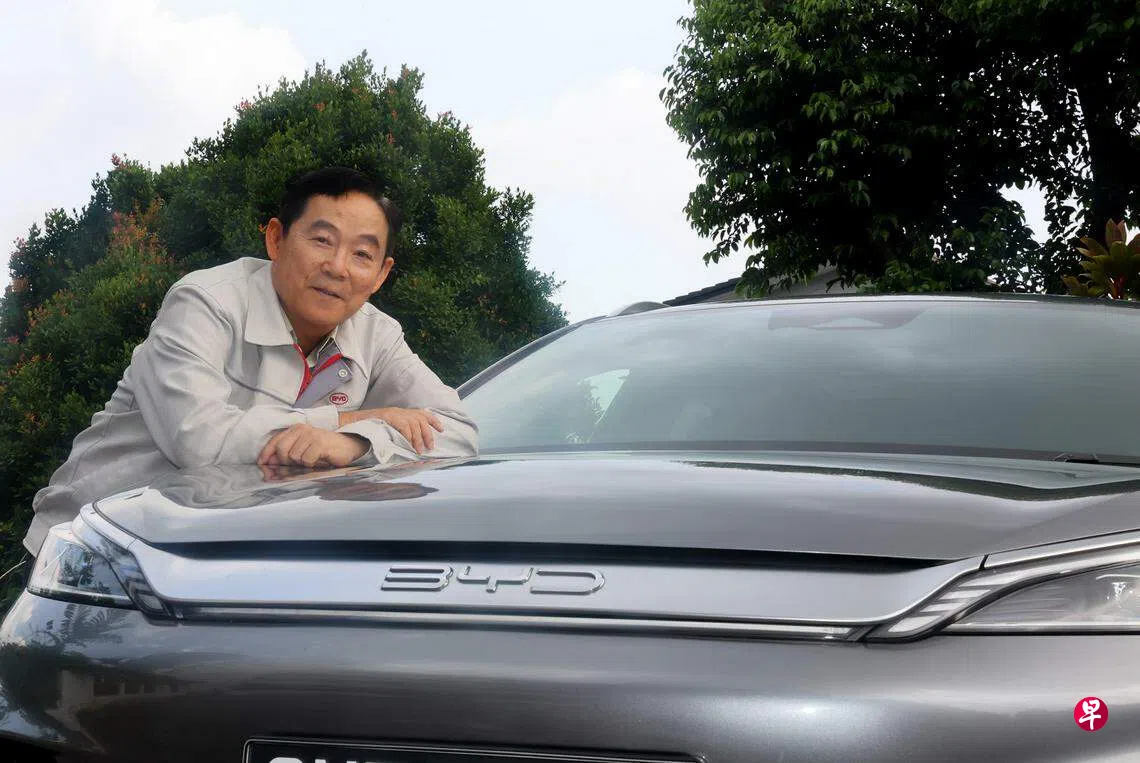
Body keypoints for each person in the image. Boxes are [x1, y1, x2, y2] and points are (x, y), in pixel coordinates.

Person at [21, 166, 478, 557]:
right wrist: (349, 420)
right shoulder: (204, 302)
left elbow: (458, 432)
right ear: (276, 239)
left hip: (227, 553)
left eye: (362, 254)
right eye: (322, 240)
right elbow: (198, 443)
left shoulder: (378, 334)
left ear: (380, 274)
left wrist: (356, 443)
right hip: (89, 545)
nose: (338, 267)